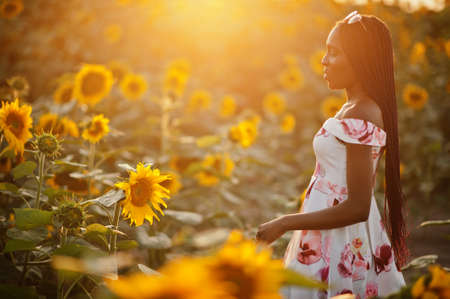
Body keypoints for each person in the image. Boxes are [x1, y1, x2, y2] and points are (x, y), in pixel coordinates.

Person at [256, 11, 409, 299]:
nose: (324, 60)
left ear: (360, 60)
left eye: (334, 53)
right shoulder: (352, 108)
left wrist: (285, 223)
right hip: (327, 234)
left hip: (340, 241)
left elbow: (358, 207)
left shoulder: (363, 113)